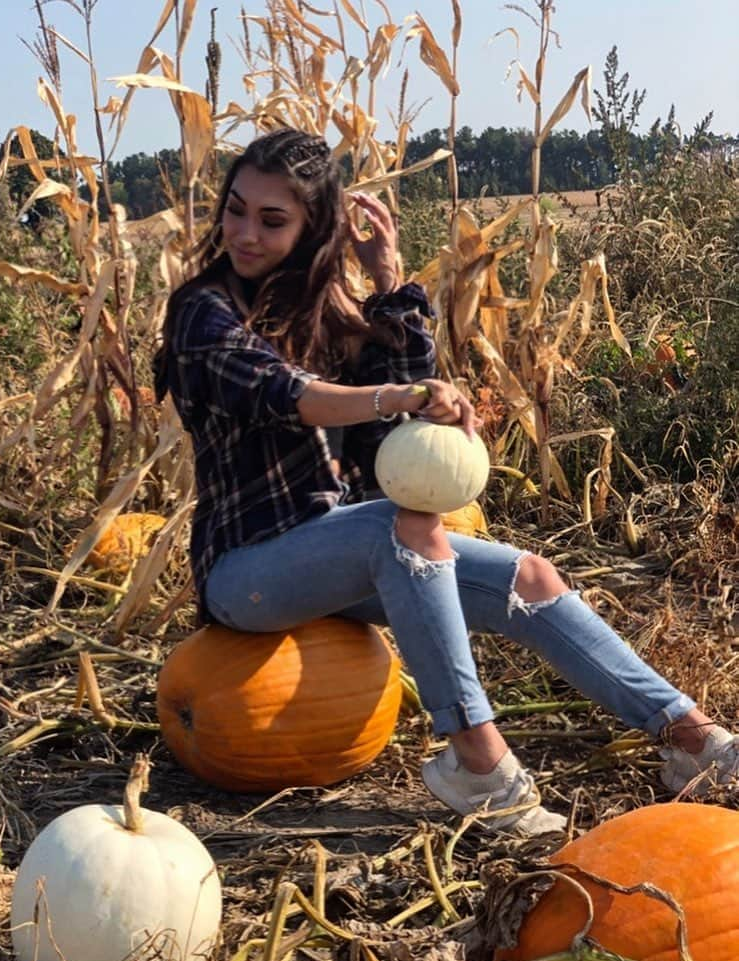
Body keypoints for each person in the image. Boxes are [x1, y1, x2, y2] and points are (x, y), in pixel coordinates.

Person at [153, 126, 738, 835]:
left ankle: (689, 739)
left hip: (339, 555)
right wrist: (397, 398)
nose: (244, 232)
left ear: (313, 231)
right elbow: (290, 394)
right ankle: (479, 765)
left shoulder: (328, 312)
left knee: (531, 577)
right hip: (244, 571)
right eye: (236, 210)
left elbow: (385, 442)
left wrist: (385, 282)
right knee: (399, 527)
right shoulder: (201, 311)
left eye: (272, 220)